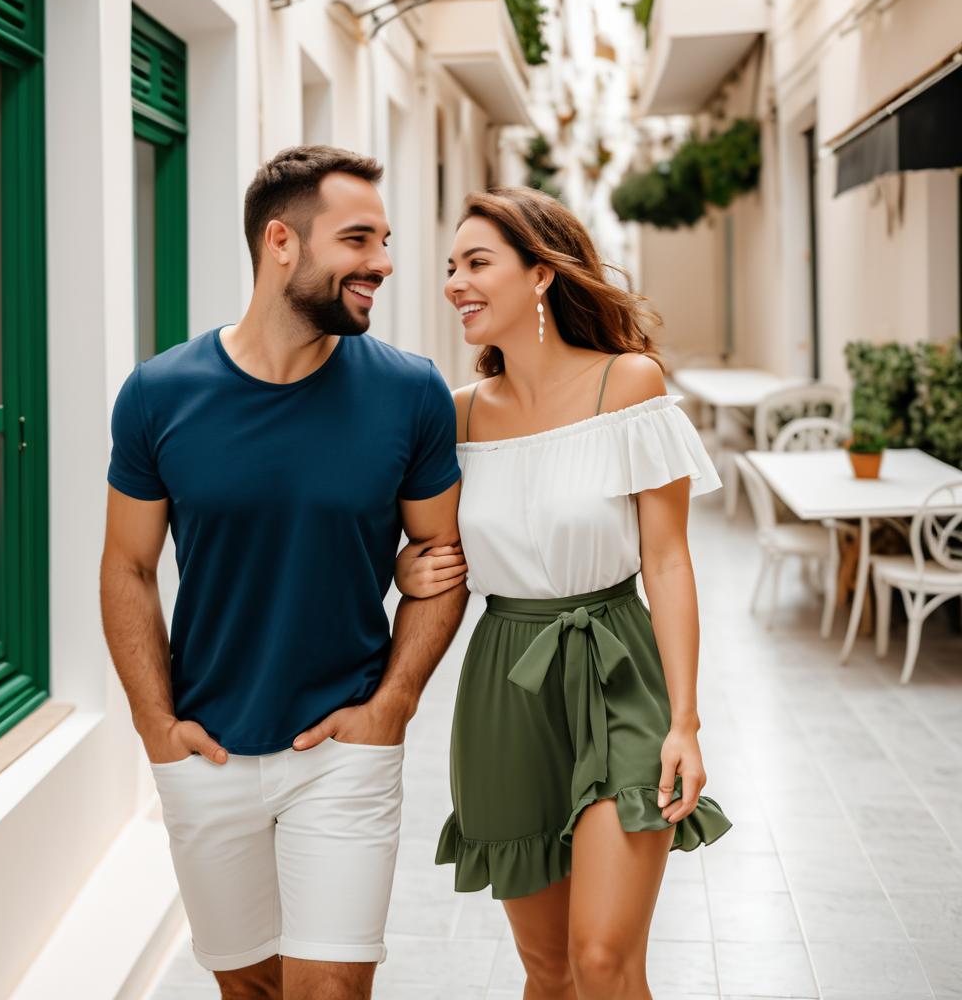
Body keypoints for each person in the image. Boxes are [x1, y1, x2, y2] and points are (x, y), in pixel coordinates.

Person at [100, 145, 469, 1000]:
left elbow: (441, 564)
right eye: (359, 239)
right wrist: (155, 725)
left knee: (330, 989)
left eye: (383, 240)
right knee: (250, 988)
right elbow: (127, 565)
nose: (382, 261)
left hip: (345, 749)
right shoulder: (158, 394)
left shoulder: (411, 393)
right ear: (282, 242)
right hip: (207, 747)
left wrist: (393, 705)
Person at [396, 187, 733, 1000]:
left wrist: (684, 719)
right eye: (451, 267)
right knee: (548, 972)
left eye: (478, 263)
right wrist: (410, 569)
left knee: (604, 962)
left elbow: (670, 563)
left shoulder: (629, 385)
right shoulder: (459, 417)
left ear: (542, 275)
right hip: (505, 687)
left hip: (618, 671)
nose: (455, 283)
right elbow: (427, 546)